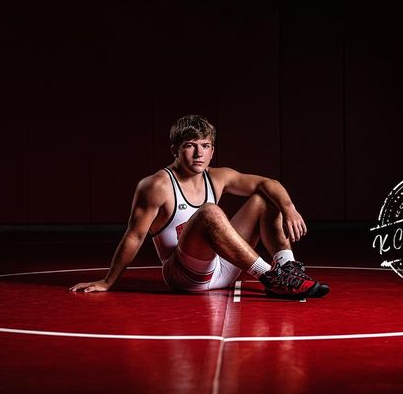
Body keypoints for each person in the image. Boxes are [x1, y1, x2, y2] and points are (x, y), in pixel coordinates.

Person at [69, 115, 329, 300]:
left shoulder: (217, 176)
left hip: (223, 266)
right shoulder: (156, 185)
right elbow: (135, 236)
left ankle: (286, 268)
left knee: (264, 197)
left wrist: (289, 208)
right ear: (175, 150)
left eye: (205, 146)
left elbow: (267, 182)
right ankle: (270, 276)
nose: (198, 154)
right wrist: (108, 281)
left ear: (212, 150)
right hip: (185, 277)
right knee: (209, 211)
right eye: (190, 146)